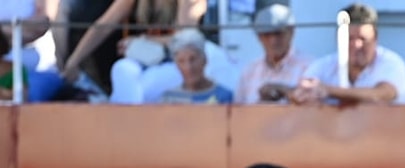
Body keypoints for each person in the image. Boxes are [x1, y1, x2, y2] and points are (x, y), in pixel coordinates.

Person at [61, 0, 234, 104]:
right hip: (152, 59)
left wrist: (142, 41)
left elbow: (185, 38)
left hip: (186, 59)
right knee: (122, 69)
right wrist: (73, 61)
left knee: (144, 87)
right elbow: (103, 26)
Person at [290, 3, 405, 107]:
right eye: (349, 39)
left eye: (363, 39)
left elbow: (382, 94)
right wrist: (304, 94)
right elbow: (302, 90)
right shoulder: (324, 66)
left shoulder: (392, 63)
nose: (357, 45)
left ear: (375, 39)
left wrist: (328, 90)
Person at [234, 3, 311, 104]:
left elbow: (315, 110)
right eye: (267, 35)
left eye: (278, 33)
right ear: (259, 37)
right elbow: (238, 113)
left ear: (291, 32)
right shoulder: (249, 72)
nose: (273, 41)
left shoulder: (309, 67)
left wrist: (284, 91)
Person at [160, 26, 232, 103]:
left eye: (193, 59)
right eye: (181, 61)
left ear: (204, 60)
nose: (188, 67)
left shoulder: (224, 96)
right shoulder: (169, 97)